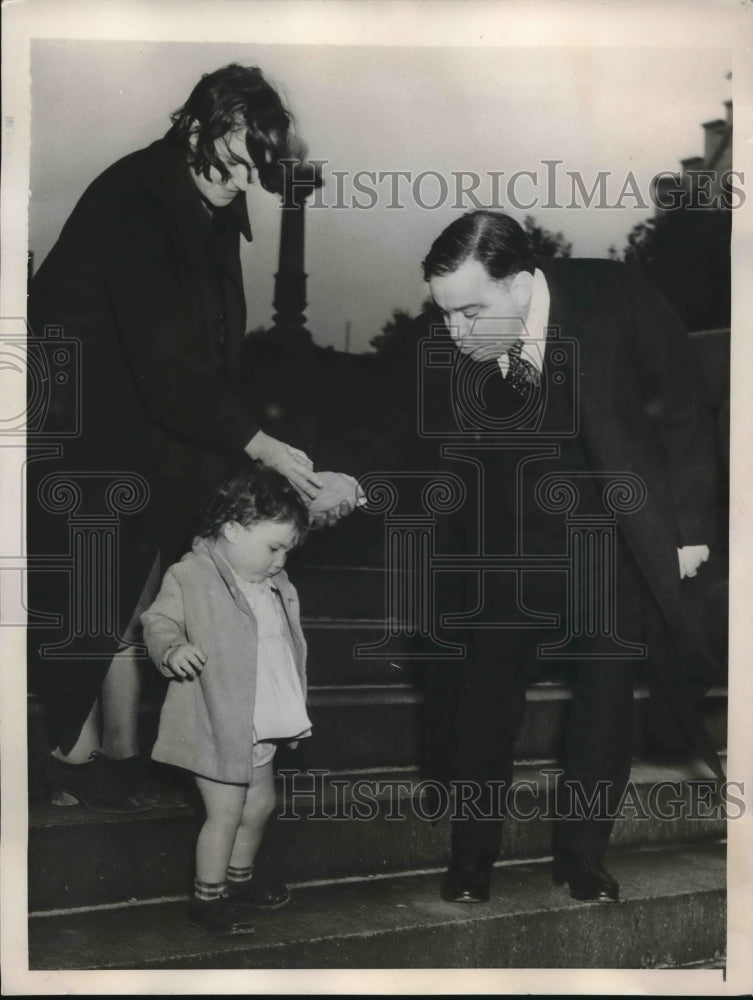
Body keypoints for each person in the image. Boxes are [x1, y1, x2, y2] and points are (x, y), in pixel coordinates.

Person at [26, 63, 335, 813]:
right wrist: (253, 443)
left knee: (132, 598)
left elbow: (212, 348)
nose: (237, 186)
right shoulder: (136, 199)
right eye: (229, 167)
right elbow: (165, 358)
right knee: (96, 593)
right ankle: (68, 754)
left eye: (250, 175)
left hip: (152, 423)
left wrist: (235, 441)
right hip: (85, 421)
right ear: (195, 128)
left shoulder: (208, 199)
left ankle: (115, 758)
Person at [418, 211, 724, 904]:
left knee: (605, 705)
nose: (452, 332)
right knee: (480, 705)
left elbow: (681, 406)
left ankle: (582, 859)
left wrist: (688, 530)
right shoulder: (456, 335)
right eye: (444, 315)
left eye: (469, 312)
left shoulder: (615, 295)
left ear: (522, 284)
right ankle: (470, 863)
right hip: (505, 550)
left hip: (607, 538)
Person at [140, 465, 310, 934]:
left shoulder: (271, 580)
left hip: (260, 716)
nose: (280, 560)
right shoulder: (191, 573)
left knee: (260, 805)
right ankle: (207, 897)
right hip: (217, 717)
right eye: (274, 547)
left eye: (287, 550)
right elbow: (157, 621)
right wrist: (173, 649)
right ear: (232, 530)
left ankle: (240, 879)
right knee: (227, 811)